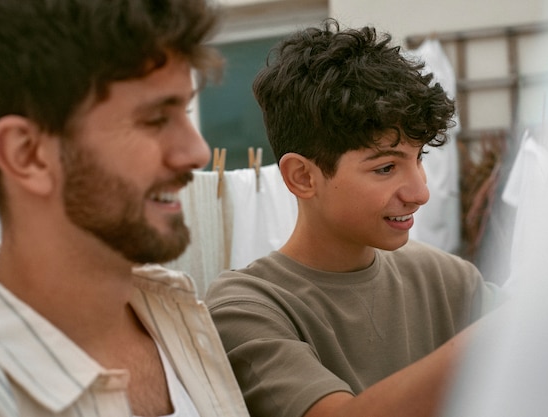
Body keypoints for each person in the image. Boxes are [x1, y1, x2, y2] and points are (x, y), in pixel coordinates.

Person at [205, 19, 503, 417]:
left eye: (419, 159)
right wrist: (511, 327)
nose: (420, 193)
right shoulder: (245, 307)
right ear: (302, 177)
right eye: (385, 168)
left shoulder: (449, 280)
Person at [0, 1, 249, 416]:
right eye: (156, 119)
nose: (197, 152)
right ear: (29, 155)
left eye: (185, 109)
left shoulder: (178, 317)